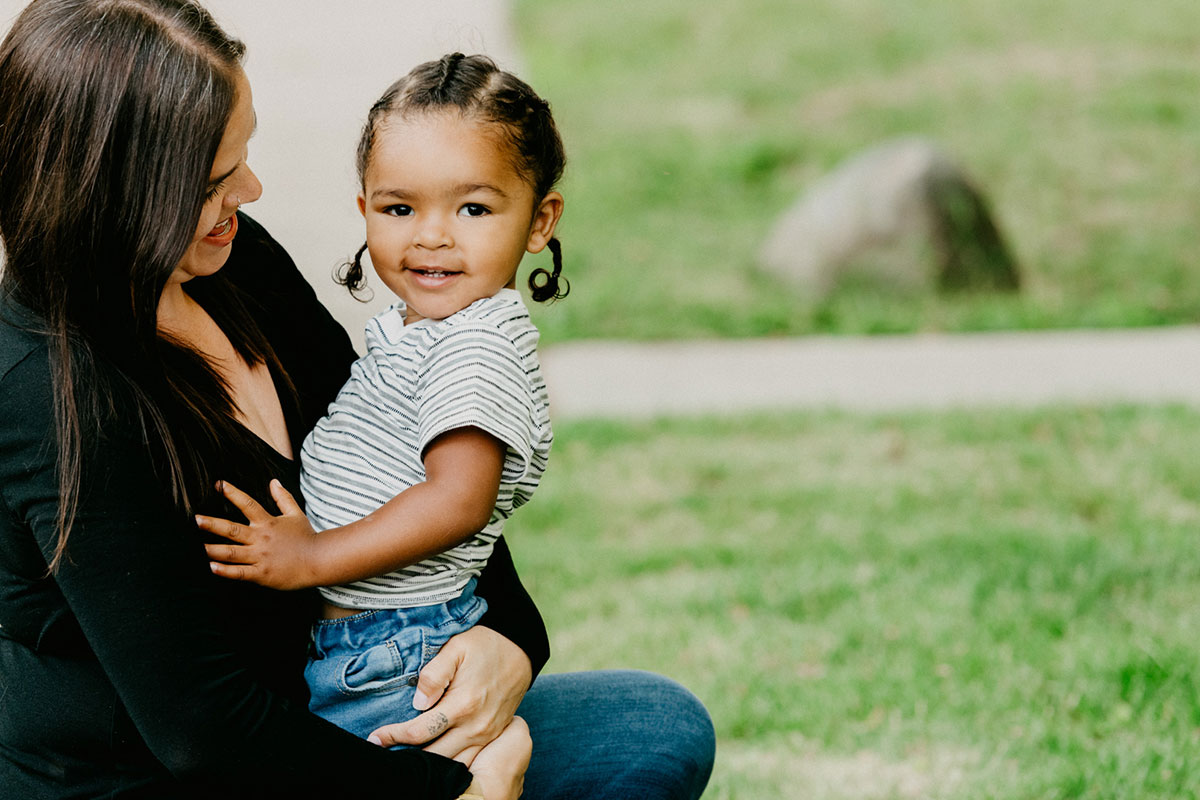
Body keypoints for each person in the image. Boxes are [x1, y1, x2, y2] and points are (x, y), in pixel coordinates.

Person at [0, 1, 715, 798]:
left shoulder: (230, 263)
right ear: (113, 192)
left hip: (351, 691)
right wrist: (458, 790)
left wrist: (509, 642)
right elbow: (206, 734)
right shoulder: (49, 393)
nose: (252, 187)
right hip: (190, 774)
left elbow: (409, 465)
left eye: (243, 154)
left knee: (656, 728)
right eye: (213, 178)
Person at [197, 53, 568, 747]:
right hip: (379, 636)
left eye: (474, 208)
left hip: (397, 648)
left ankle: (479, 773)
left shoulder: (475, 348)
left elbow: (459, 500)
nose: (432, 235)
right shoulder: (427, 331)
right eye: (400, 208)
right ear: (364, 209)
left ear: (539, 221)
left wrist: (311, 559)